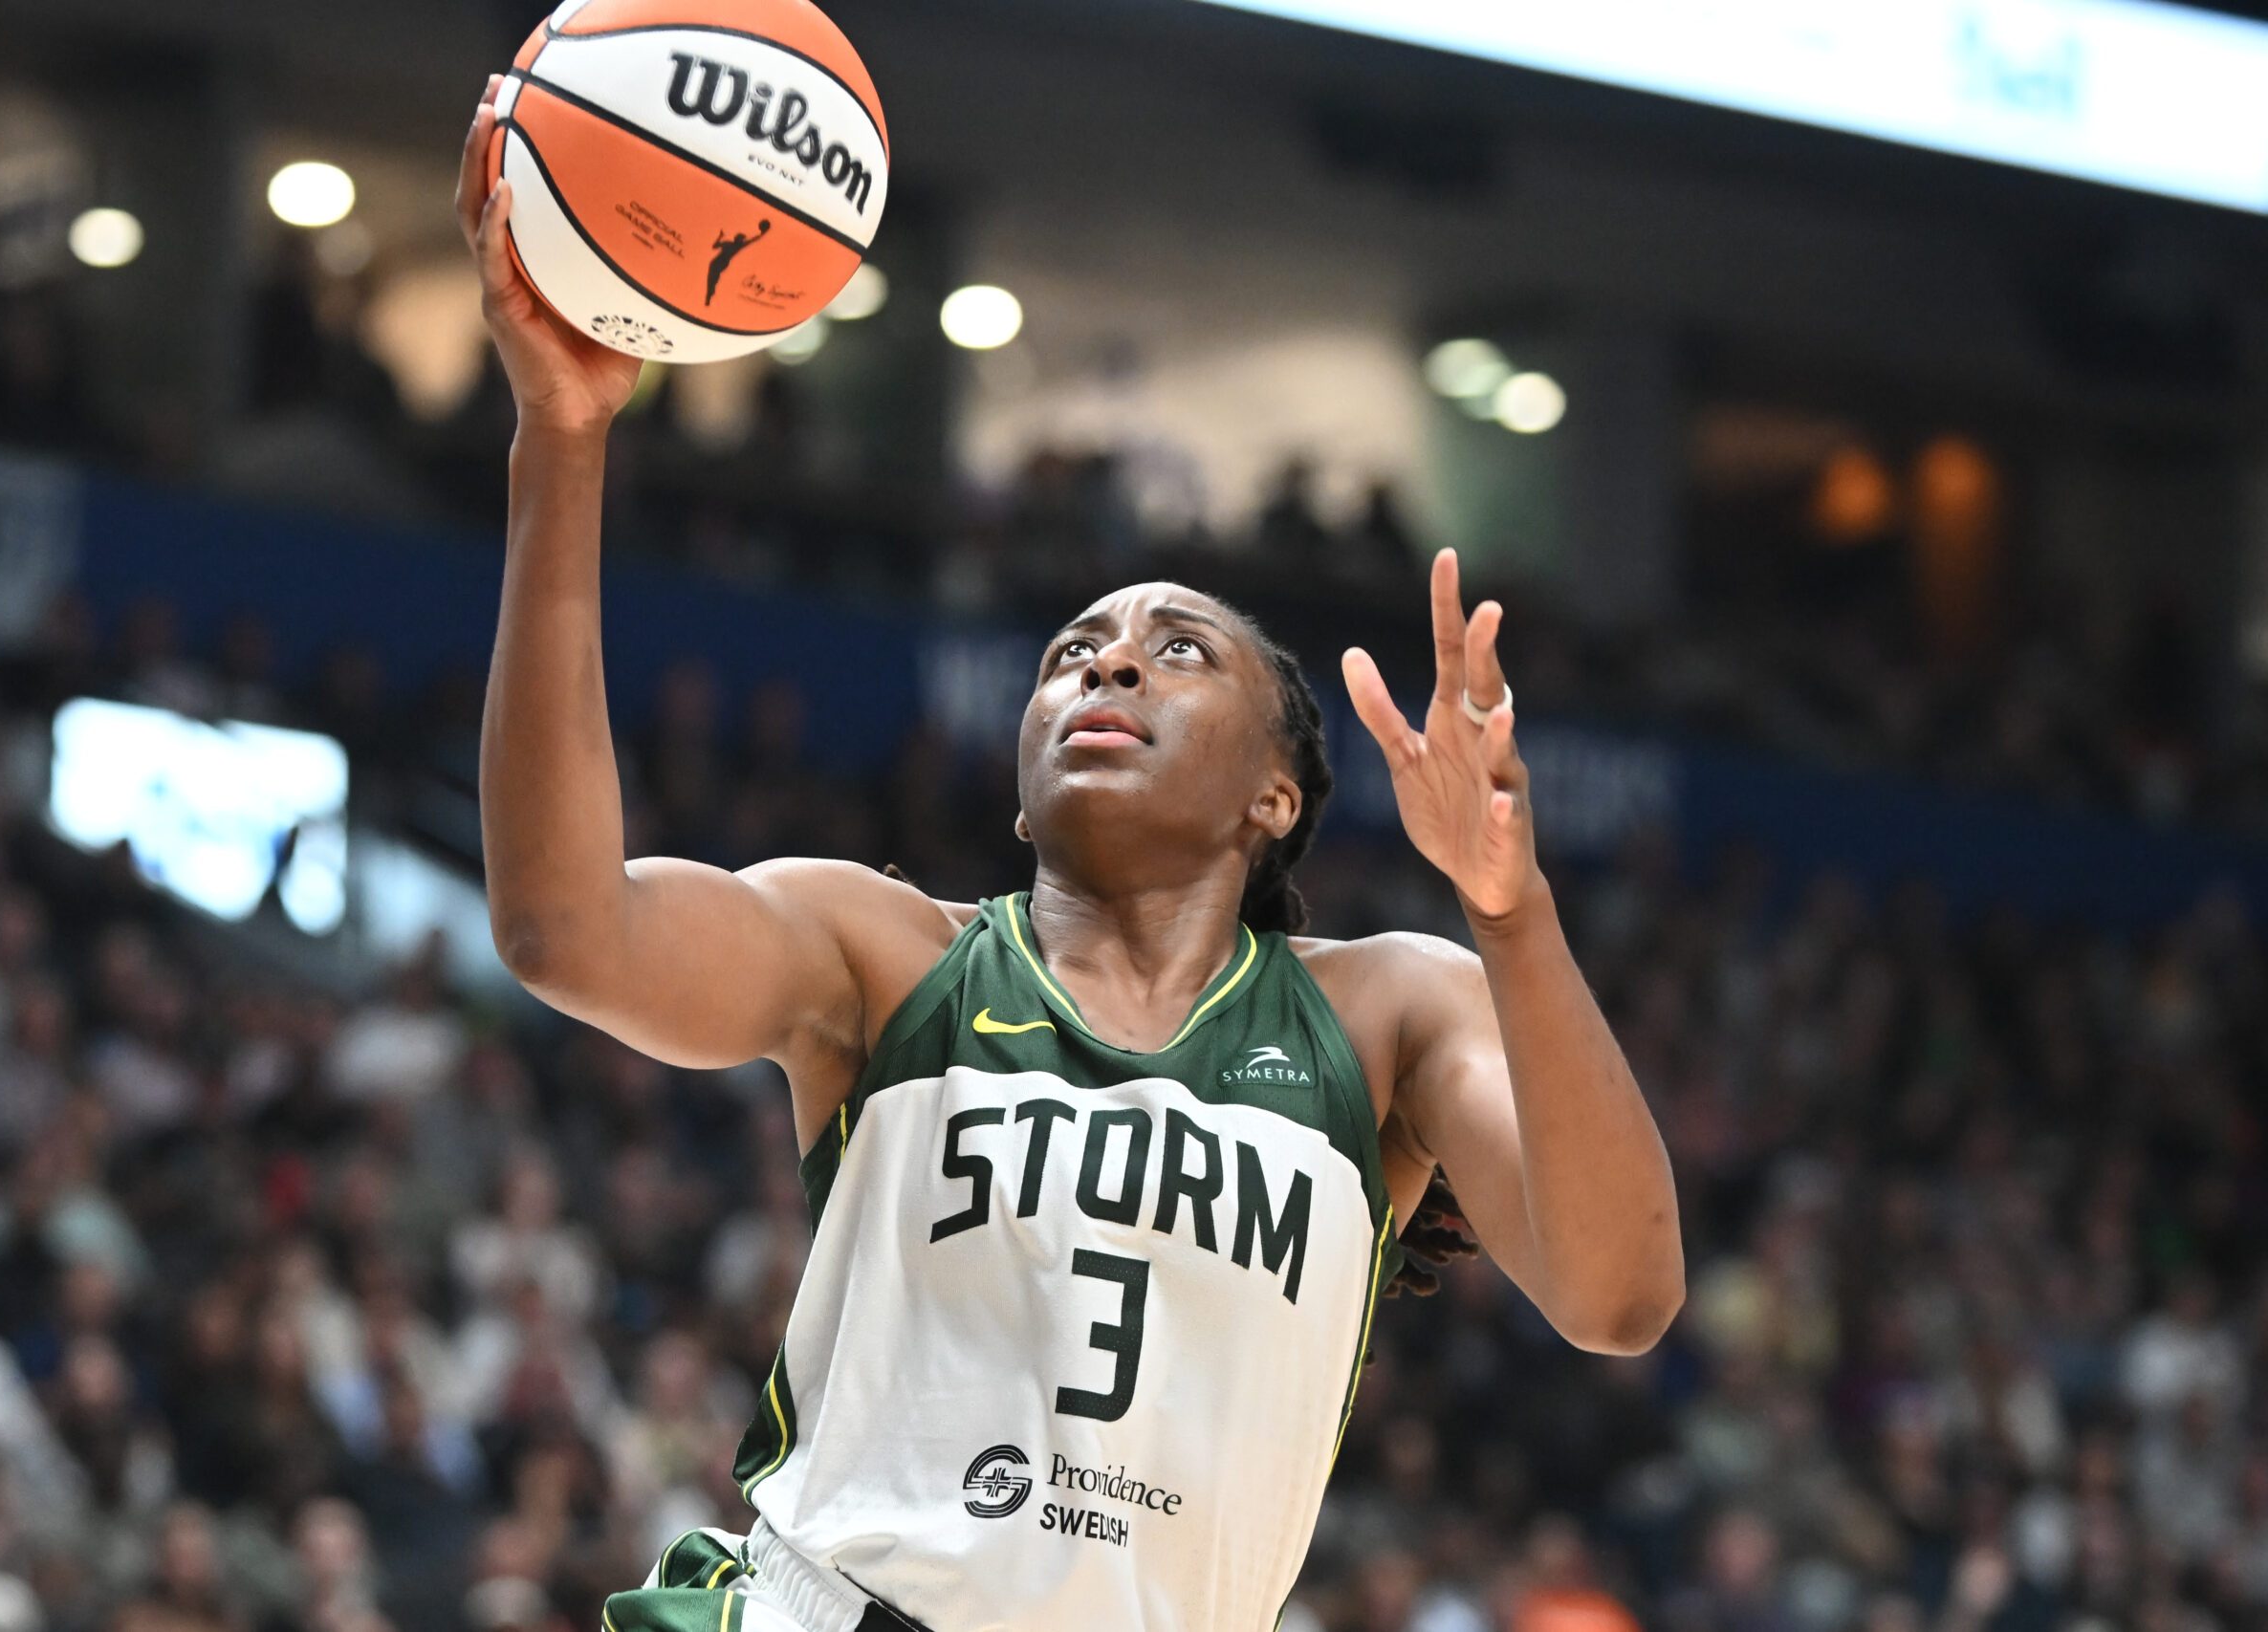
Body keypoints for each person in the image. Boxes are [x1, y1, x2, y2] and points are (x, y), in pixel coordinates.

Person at [455, 76, 1683, 1632]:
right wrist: (560, 441)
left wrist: (1512, 915)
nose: (1107, 669)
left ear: (1276, 798)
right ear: (1022, 795)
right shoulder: (887, 954)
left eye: (1179, 653)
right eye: (1071, 654)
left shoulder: (1385, 1016)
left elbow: (1621, 1295)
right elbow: (562, 928)